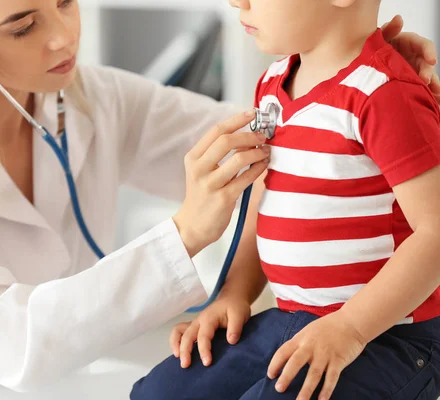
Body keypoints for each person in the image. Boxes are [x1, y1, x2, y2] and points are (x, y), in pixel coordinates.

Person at [0, 0, 436, 396]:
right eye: (23, 24)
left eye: (66, 0)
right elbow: (9, 343)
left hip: (71, 381)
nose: (63, 37)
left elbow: (302, 150)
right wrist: (188, 236)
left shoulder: (93, 98)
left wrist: (370, 79)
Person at [131, 1, 440, 399]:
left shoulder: (384, 94)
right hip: (295, 319)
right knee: (161, 393)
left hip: (390, 337)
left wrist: (350, 329)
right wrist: (235, 293)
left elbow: (435, 234)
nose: (236, 2)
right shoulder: (272, 85)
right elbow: (264, 196)